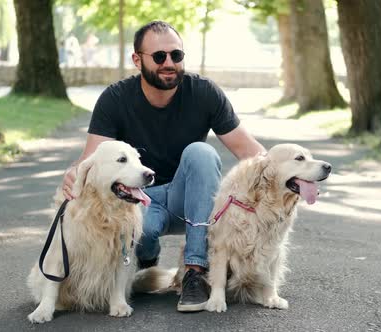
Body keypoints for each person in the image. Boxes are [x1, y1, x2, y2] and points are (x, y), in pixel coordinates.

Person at [61, 21, 266, 312]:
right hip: (139, 201)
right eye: (159, 56)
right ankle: (146, 256)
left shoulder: (205, 93)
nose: (169, 63)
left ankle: (195, 272)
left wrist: (286, 173)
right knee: (141, 236)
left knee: (201, 153)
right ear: (137, 59)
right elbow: (90, 159)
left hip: (191, 199)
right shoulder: (115, 99)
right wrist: (74, 174)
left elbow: (252, 153)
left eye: (176, 55)